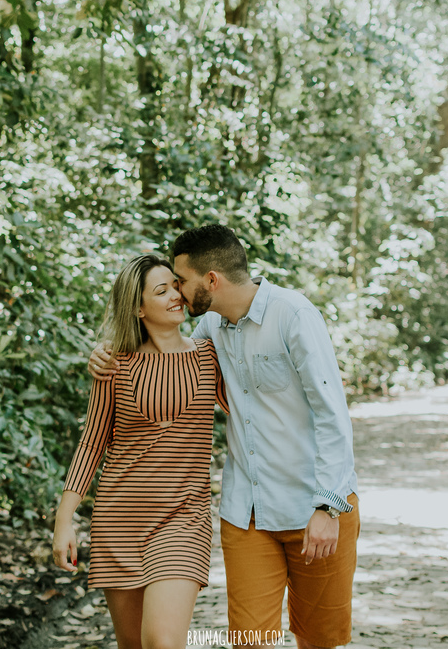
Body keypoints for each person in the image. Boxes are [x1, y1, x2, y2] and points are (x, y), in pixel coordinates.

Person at [89, 225, 359, 649]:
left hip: (314, 505)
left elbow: (333, 415)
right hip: (247, 512)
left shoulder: (293, 314)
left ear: (210, 280)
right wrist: (109, 352)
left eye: (180, 280)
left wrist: (329, 505)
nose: (176, 291)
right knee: (251, 641)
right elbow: (166, 355)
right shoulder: (209, 330)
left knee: (319, 639)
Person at [53, 254, 228, 649]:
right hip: (120, 521)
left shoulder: (210, 355)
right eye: (160, 290)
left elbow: (250, 406)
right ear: (137, 306)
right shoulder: (115, 363)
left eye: (175, 286)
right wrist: (65, 519)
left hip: (184, 519)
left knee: (162, 641)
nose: (175, 296)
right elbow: (92, 441)